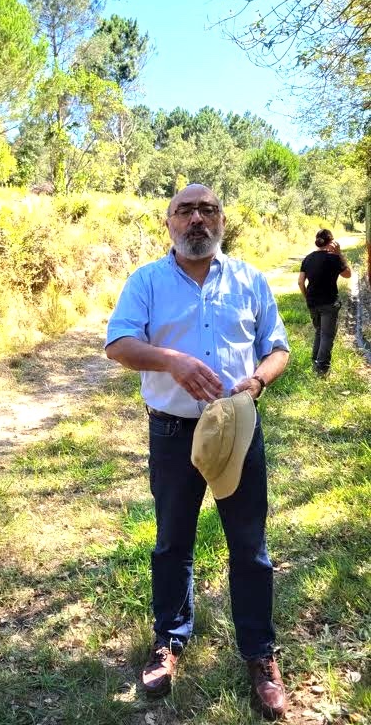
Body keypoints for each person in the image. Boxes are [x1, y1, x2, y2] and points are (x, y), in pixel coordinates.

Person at [105, 184, 290, 720]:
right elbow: (118, 344)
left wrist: (256, 381)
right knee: (172, 543)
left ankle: (259, 655)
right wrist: (171, 361)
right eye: (184, 210)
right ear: (168, 223)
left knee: (250, 546)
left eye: (207, 210)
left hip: (237, 427)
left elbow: (277, 346)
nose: (196, 219)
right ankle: (169, 643)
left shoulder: (250, 279)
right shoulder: (147, 281)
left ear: (222, 221)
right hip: (172, 432)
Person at [298, 228, 351, 376]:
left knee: (319, 332)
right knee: (327, 335)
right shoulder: (333, 258)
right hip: (329, 303)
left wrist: (307, 297)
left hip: (313, 302)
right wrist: (339, 253)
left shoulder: (307, 259)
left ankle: (315, 360)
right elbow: (348, 274)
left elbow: (300, 282)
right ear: (331, 242)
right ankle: (321, 369)